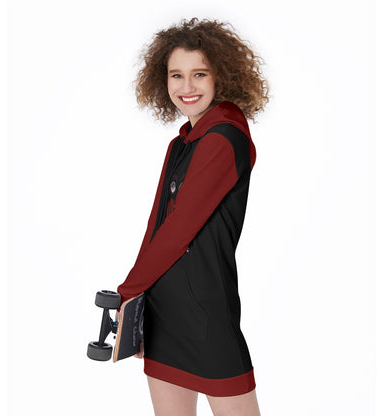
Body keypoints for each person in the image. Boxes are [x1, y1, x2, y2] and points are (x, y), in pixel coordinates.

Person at [116, 17, 270, 416]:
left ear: (222, 76)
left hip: (206, 310)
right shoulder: (180, 144)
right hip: (163, 306)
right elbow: (157, 226)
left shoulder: (225, 137)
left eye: (199, 74)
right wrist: (135, 299)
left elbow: (180, 228)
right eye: (176, 75)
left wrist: (128, 288)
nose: (187, 86)